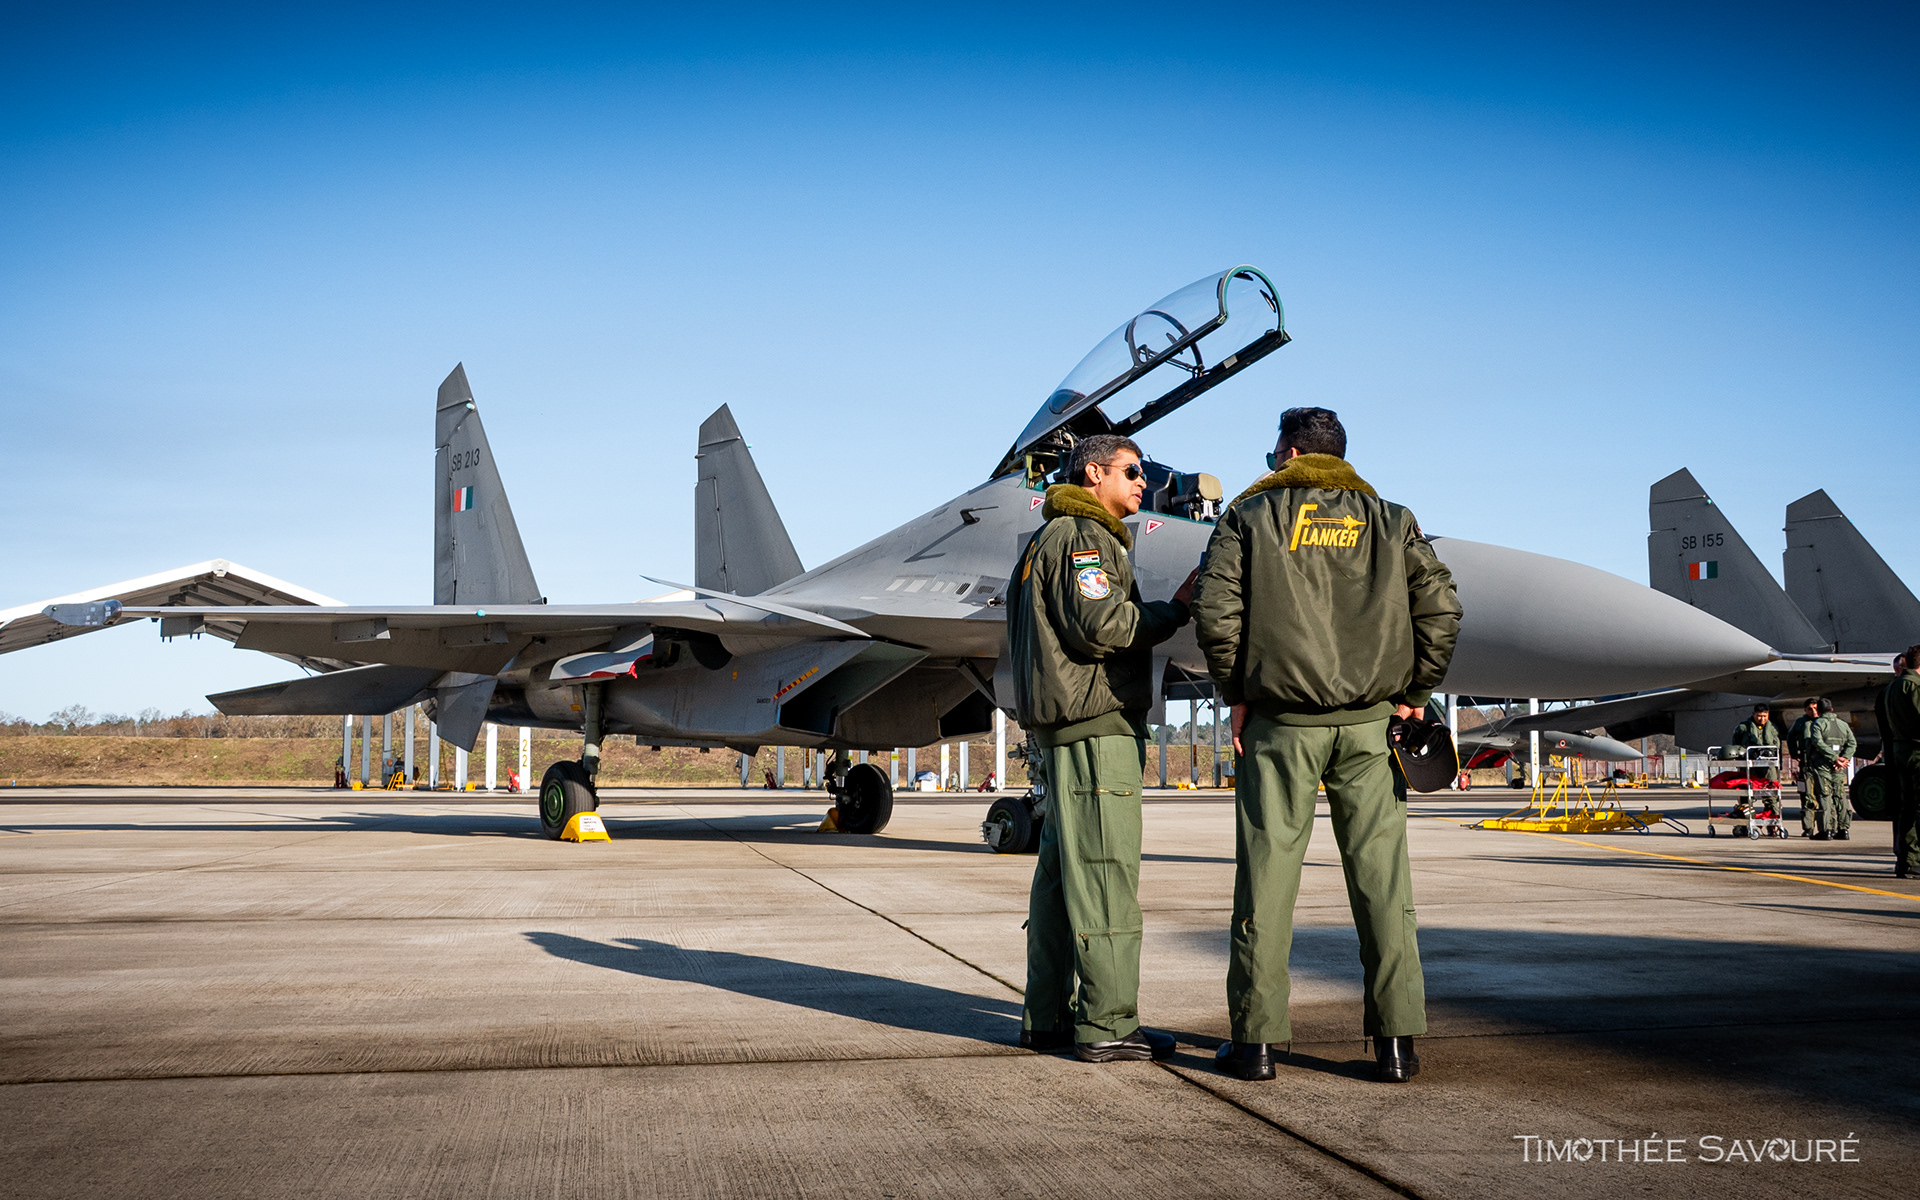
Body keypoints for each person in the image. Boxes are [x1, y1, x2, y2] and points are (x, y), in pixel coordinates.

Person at [1192, 407, 1461, 1084]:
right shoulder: (1392, 520)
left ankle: (1255, 1045)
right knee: (1382, 884)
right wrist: (1416, 692)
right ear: (1339, 457)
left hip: (1280, 726)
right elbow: (1442, 607)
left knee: (1266, 879)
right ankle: (1396, 1043)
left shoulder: (1247, 520)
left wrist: (1237, 693)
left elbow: (1217, 612)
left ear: (1287, 455)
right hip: (1372, 728)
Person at [1008, 433, 1195, 1062]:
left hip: (1067, 726)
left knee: (1063, 876)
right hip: (1095, 725)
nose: (1145, 483)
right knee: (1109, 873)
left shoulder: (1047, 541)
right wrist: (1177, 611)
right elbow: (1105, 627)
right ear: (1095, 473)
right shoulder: (1085, 539)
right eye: (1134, 471)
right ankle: (1109, 1023)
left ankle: (1049, 1016)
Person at [1882, 650, 1920, 878]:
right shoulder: (1914, 687)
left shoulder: (1893, 687)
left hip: (1902, 750)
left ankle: (1906, 860)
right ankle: (1913, 860)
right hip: (1917, 752)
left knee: (1908, 807)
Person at [1802, 697, 1856, 841]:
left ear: (1818, 710)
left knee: (1825, 796)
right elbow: (1852, 743)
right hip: (1838, 766)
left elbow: (1817, 742)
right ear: (1831, 709)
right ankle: (1844, 829)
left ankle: (1826, 830)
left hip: (1823, 765)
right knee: (1840, 795)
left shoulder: (1817, 724)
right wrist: (1844, 758)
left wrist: (1834, 758)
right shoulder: (1843, 724)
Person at [1786, 698, 1820, 824]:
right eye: (1810, 709)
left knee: (1824, 796)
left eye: (1816, 708)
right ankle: (1808, 827)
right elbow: (1790, 737)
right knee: (1806, 794)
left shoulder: (1824, 722)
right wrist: (1794, 754)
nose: (1813, 711)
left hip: (1822, 764)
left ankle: (1826, 826)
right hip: (1805, 764)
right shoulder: (1800, 722)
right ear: (1805, 710)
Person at [1728, 704, 1780, 784]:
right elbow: (1736, 744)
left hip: (1768, 763)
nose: (1762, 719)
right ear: (1753, 714)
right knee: (1748, 787)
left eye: (1765, 716)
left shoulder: (1773, 728)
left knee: (1771, 787)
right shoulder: (1743, 728)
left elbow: (1777, 745)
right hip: (1749, 763)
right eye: (1759, 716)